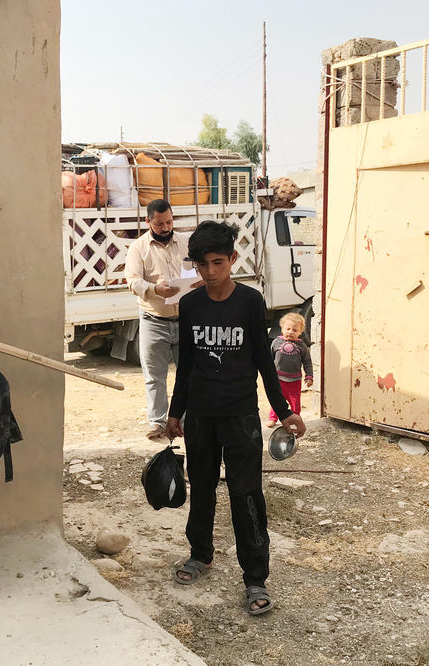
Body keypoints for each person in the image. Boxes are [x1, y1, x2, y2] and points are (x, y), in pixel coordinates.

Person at [164, 220, 306, 616]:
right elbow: (187, 365)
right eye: (202, 264)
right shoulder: (190, 305)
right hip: (201, 417)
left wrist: (285, 412)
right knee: (203, 488)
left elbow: (264, 360)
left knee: (246, 495)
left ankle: (255, 578)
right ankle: (200, 554)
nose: (210, 272)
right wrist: (176, 413)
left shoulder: (249, 301)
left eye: (217, 262)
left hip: (241, 417)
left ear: (232, 260)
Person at [124, 198, 192, 440]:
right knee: (155, 377)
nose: (165, 227)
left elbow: (198, 270)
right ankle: (158, 423)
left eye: (169, 222)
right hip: (153, 320)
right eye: (160, 223)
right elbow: (132, 281)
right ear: (148, 221)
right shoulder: (138, 248)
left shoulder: (185, 242)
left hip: (185, 320)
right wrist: (155, 289)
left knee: (187, 374)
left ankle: (184, 421)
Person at [265, 311, 313, 428]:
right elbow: (269, 359)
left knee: (295, 402)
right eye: (288, 329)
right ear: (282, 328)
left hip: (294, 381)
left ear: (300, 332)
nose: (290, 332)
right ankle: (273, 418)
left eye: (295, 330)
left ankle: (296, 418)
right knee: (277, 400)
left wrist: (309, 376)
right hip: (278, 379)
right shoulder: (276, 342)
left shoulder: (302, 346)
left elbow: (307, 362)